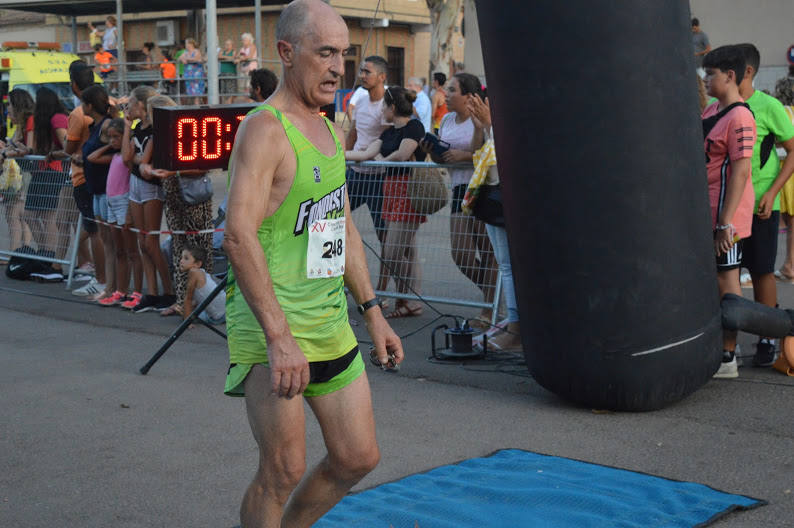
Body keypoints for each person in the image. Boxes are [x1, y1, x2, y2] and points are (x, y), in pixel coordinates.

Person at [223, 1, 403, 526]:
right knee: (282, 470)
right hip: (271, 325)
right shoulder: (266, 129)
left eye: (343, 54)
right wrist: (279, 336)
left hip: (329, 321)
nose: (337, 67)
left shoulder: (327, 128)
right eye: (325, 53)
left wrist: (372, 311)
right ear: (286, 52)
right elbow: (237, 236)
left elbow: (340, 225)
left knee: (357, 456)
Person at [422, 72, 497, 328]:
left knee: (488, 253)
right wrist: (434, 152)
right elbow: (444, 158)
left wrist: (463, 156)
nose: (446, 94)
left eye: (453, 90)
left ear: (469, 96)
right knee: (461, 254)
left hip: (482, 187)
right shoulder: (446, 120)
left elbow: (487, 153)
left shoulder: (484, 119)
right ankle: (495, 294)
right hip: (459, 187)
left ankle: (489, 309)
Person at [734, 43, 794, 367]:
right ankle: (727, 340)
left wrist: (772, 193)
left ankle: (768, 338)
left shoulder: (769, 106)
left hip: (760, 206)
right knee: (728, 274)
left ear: (747, 72)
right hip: (728, 208)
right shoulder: (719, 106)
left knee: (761, 272)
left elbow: (792, 150)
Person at [701, 45, 757, 379]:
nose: (706, 80)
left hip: (726, 219)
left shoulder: (740, 117)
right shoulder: (711, 110)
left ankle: (728, 357)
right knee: (709, 282)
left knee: (727, 280)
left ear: (730, 76)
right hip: (703, 213)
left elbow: (741, 171)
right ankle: (712, 348)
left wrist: (726, 223)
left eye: (711, 74)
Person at [346, 86, 426, 317]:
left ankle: (410, 298)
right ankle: (411, 300)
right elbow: (364, 154)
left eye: (384, 106)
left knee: (392, 251)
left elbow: (403, 154)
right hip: (391, 192)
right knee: (407, 249)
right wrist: (334, 153)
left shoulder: (414, 126)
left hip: (409, 192)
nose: (381, 110)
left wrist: (382, 159)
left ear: (392, 107)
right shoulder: (388, 133)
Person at [141, 94, 215, 317]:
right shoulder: (157, 137)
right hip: (173, 200)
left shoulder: (187, 131)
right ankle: (182, 301)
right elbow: (143, 163)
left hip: (194, 200)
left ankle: (205, 302)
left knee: (199, 252)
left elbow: (204, 166)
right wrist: (151, 170)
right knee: (178, 251)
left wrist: (174, 172)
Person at [466, 93, 521, 351]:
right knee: (504, 264)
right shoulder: (489, 122)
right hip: (492, 197)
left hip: (504, 198)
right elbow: (478, 150)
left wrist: (489, 124)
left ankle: (516, 328)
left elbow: (507, 154)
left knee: (509, 266)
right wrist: (483, 127)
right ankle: (512, 322)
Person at [122, 85, 176, 312]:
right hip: (135, 184)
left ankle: (169, 290)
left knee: (151, 242)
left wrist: (138, 160)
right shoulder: (136, 129)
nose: (128, 106)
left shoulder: (155, 130)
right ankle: (151, 292)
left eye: (132, 102)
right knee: (142, 242)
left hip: (151, 187)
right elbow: (127, 157)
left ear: (142, 105)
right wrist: (126, 127)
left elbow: (144, 160)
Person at [61, 62, 108, 296]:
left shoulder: (78, 114)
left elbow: (69, 148)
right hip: (104, 177)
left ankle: (101, 280)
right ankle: (109, 282)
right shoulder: (111, 106)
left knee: (95, 230)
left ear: (74, 85)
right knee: (105, 231)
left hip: (84, 177)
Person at [85, 118, 142, 307]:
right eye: (109, 137)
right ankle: (121, 291)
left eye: (115, 137)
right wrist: (109, 146)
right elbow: (92, 158)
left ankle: (137, 292)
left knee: (132, 251)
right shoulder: (115, 156)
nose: (112, 141)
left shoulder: (127, 155)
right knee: (119, 251)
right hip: (111, 202)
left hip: (123, 202)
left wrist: (126, 134)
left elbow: (129, 162)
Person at [24, 87, 69, 278]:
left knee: (48, 216)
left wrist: (53, 154)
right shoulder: (49, 120)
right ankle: (45, 251)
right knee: (33, 214)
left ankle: (49, 254)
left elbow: (67, 146)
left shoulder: (56, 119)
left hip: (53, 169)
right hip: (46, 169)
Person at [345, 55, 389, 241]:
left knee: (384, 234)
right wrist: (342, 157)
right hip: (355, 173)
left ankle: (393, 269)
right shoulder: (361, 101)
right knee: (332, 217)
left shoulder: (388, 105)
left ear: (382, 77)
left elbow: (387, 139)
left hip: (379, 177)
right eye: (361, 71)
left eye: (367, 72)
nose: (362, 75)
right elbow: (353, 133)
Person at [81, 85, 118, 302]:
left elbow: (117, 152)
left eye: (82, 104)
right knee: (106, 240)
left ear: (89, 105)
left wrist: (96, 157)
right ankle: (109, 285)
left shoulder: (105, 126)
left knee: (110, 242)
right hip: (95, 189)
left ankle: (110, 285)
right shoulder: (94, 125)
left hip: (107, 189)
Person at [0, 89, 35, 252]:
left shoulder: (29, 123)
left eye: (10, 106)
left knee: (14, 214)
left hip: (22, 175)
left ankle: (15, 252)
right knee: (20, 215)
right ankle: (22, 251)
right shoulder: (22, 124)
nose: (8, 111)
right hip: (20, 174)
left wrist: (7, 151)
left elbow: (28, 149)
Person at [179, 244, 226, 325]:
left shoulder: (194, 272)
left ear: (197, 264)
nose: (181, 261)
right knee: (188, 309)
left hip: (220, 316)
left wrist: (187, 322)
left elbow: (188, 298)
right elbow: (200, 298)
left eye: (186, 258)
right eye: (181, 257)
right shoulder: (201, 272)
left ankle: (185, 314)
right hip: (227, 309)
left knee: (186, 311)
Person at [179, 38, 205, 105]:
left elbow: (196, 58)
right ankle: (192, 107)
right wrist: (182, 59)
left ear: (191, 44)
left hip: (196, 75)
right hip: (189, 75)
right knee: (190, 92)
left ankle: (197, 106)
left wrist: (186, 59)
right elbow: (179, 58)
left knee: (196, 93)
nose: (186, 45)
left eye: (187, 43)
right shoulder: (185, 52)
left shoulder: (196, 51)